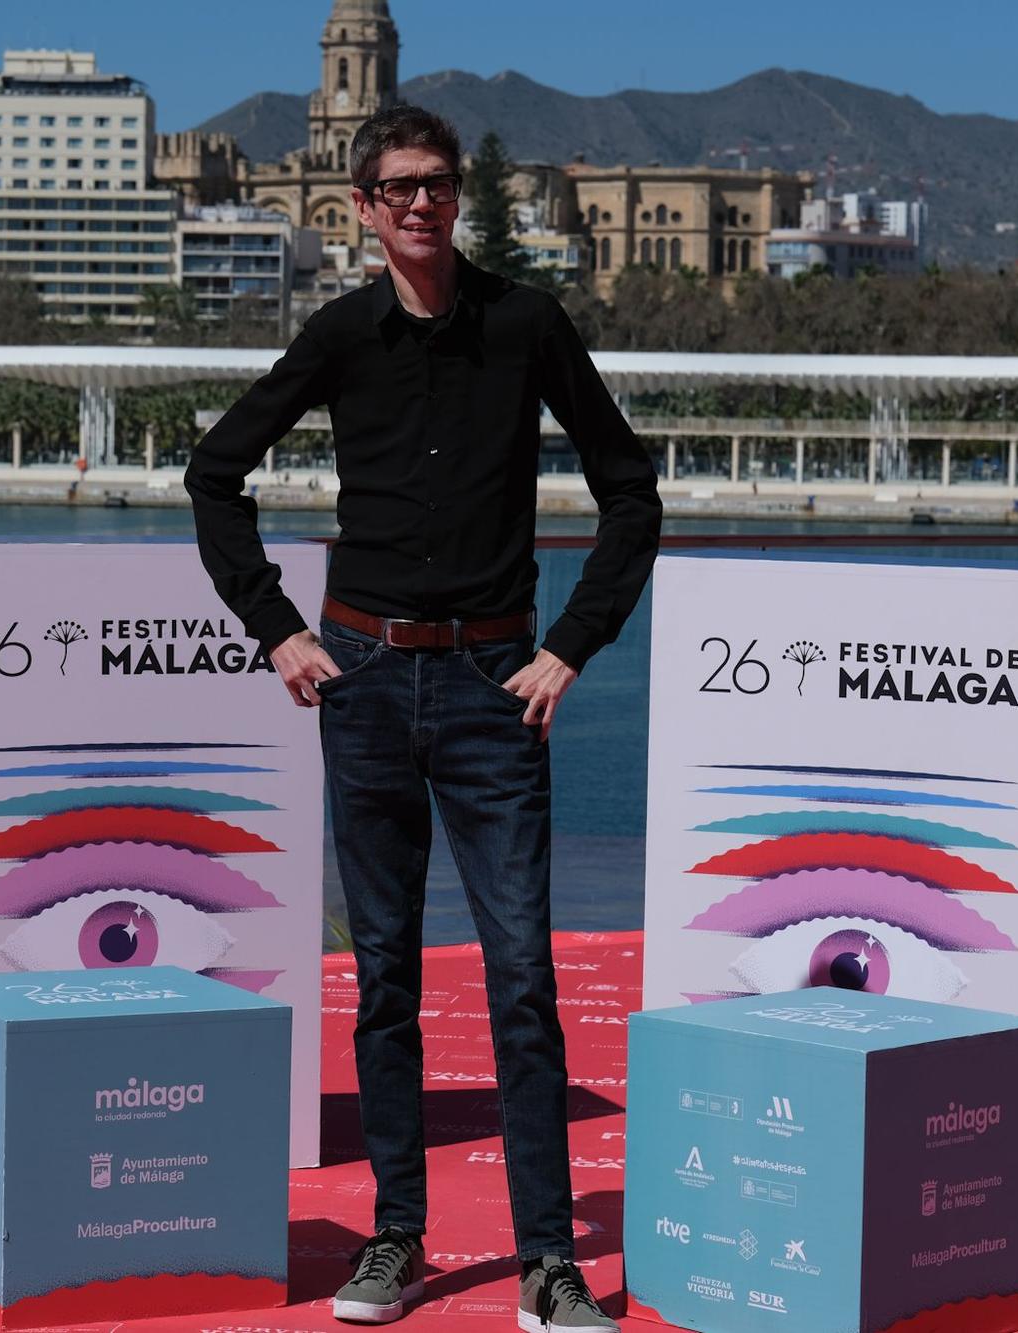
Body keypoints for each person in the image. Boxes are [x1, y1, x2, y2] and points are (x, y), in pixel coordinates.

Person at [186, 105, 660, 1331]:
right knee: (384, 973)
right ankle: (396, 1238)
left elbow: (629, 494)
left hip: (495, 690)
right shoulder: (339, 333)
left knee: (519, 978)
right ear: (360, 207)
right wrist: (276, 629)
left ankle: (547, 1260)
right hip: (358, 680)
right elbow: (214, 476)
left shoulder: (527, 324)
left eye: (437, 186)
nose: (419, 206)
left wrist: (568, 647)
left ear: (459, 198)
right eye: (396, 189)